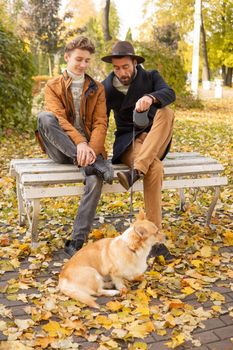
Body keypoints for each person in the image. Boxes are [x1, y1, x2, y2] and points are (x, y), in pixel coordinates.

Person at [101, 41, 176, 260]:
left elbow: (169, 93)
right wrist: (96, 147)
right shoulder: (107, 87)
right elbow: (101, 120)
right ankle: (153, 243)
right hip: (128, 142)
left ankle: (136, 170)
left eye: (125, 66)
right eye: (116, 68)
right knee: (155, 168)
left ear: (134, 62)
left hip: (155, 137)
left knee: (167, 112)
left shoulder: (151, 77)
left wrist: (151, 97)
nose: (121, 72)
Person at [37, 36, 110, 257]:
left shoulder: (97, 88)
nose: (83, 65)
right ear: (67, 57)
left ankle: (78, 240)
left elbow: (100, 122)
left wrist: (91, 148)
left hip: (89, 151)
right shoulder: (53, 86)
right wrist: (79, 145)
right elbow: (58, 118)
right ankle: (93, 163)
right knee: (45, 118)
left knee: (94, 178)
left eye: (87, 60)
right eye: (79, 59)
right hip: (62, 149)